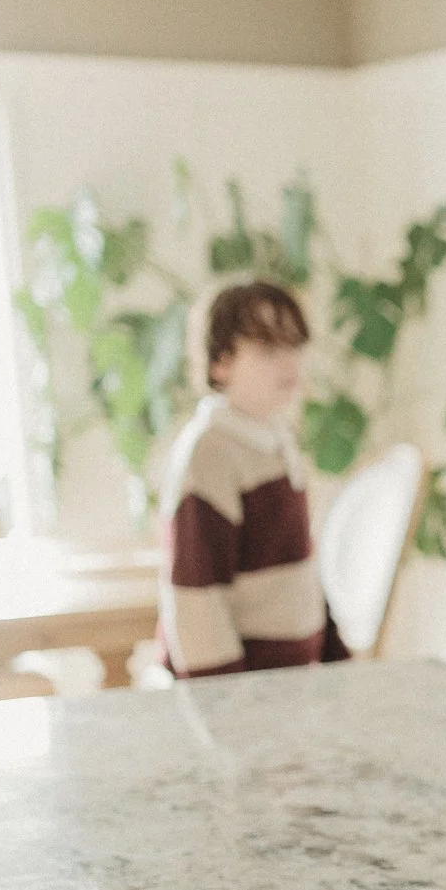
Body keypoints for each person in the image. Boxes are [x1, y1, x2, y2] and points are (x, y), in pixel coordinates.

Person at [158, 281, 345, 677]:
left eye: (295, 347)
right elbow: (197, 598)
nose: (289, 363)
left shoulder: (274, 438)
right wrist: (227, 704)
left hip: (288, 677)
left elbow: (298, 565)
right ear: (220, 364)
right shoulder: (209, 452)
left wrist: (334, 652)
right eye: (267, 351)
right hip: (242, 686)